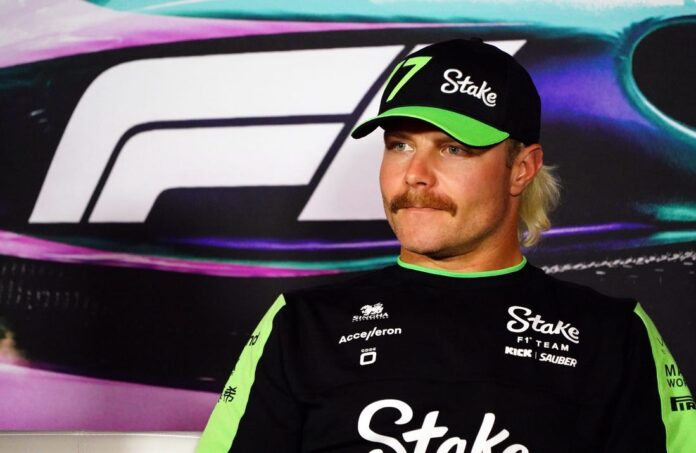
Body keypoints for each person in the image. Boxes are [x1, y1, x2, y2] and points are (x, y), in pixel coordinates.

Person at [196, 38, 695, 452]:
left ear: (521, 168)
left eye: (453, 148)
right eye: (400, 145)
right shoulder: (302, 326)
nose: (415, 174)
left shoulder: (614, 336)